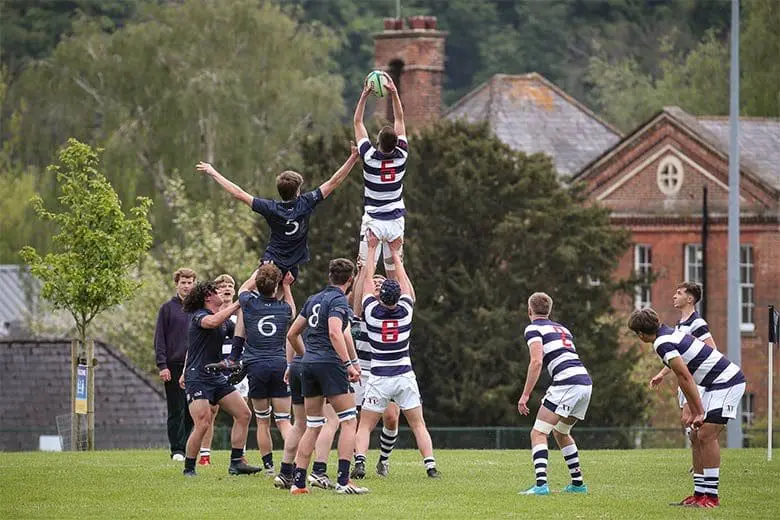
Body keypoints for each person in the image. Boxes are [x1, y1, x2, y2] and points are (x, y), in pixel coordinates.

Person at [629, 308, 745, 508]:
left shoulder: (663, 342)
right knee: (695, 434)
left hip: (728, 381)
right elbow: (684, 377)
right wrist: (693, 410)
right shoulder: (667, 334)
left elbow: (685, 377)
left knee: (706, 434)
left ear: (640, 334)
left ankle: (712, 497)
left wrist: (698, 411)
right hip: (712, 384)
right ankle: (699, 495)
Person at [196, 144, 359, 279]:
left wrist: (213, 172)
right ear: (298, 191)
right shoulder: (307, 202)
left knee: (245, 291)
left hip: (272, 260)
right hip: (292, 264)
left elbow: (238, 193)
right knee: (281, 304)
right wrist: (352, 158)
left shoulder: (271, 208)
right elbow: (334, 182)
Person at [354, 233, 439, 479]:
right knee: (418, 424)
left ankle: (360, 462)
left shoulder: (370, 312)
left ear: (380, 296)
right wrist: (396, 256)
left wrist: (371, 250)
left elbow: (368, 281)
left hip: (379, 377)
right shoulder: (406, 312)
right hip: (403, 375)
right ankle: (430, 466)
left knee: (365, 425)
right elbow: (406, 287)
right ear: (399, 295)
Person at [285, 258, 368, 495]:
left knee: (313, 425)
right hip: (330, 365)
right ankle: (344, 481)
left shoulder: (313, 299)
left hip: (307, 365)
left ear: (330, 276)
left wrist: (307, 356)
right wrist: (349, 365)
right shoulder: (338, 300)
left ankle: (298, 483)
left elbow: (292, 334)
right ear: (350, 280)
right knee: (350, 420)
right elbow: (335, 332)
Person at [179, 281, 261, 477]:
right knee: (203, 421)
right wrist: (238, 303)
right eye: (216, 291)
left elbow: (243, 333)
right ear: (208, 296)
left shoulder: (225, 322)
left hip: (215, 377)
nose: (221, 294)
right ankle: (189, 468)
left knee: (244, 414)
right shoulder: (200, 316)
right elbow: (212, 322)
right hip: (197, 376)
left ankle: (236, 463)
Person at [517, 292, 592, 496]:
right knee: (561, 431)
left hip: (567, 382)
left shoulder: (533, 328)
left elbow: (536, 361)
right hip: (584, 382)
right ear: (549, 310)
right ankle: (578, 485)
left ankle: (541, 485)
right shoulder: (562, 329)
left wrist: (525, 395)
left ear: (529, 310)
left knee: (539, 432)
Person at [235, 264, 296, 476]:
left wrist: (259, 270)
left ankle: (269, 467)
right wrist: (286, 286)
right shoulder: (282, 308)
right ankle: (292, 462)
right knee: (283, 420)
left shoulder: (249, 303)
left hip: (256, 366)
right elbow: (292, 310)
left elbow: (242, 288)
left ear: (259, 286)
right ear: (275, 286)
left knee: (262, 420)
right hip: (278, 364)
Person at [349, 260, 401, 479]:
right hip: (361, 371)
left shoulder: (395, 311)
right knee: (360, 420)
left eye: (382, 282)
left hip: (385, 369)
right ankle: (359, 461)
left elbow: (400, 286)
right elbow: (357, 293)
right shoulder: (361, 310)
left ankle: (384, 460)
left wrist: (395, 257)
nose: (378, 284)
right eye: (375, 282)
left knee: (391, 418)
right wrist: (363, 270)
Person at [353, 72, 408, 273]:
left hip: (374, 219)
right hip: (395, 220)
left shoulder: (369, 157)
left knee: (364, 272)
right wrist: (394, 93)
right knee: (394, 272)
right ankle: (399, 304)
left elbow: (358, 122)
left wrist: (364, 95)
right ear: (396, 143)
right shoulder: (402, 154)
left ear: (377, 142)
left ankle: (358, 306)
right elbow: (400, 119)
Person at [650, 283, 718, 425]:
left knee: (688, 419)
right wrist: (661, 374)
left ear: (689, 299)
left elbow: (712, 350)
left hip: (695, 380)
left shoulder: (697, 323)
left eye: (679, 293)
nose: (674, 296)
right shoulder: (680, 324)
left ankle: (704, 445)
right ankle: (700, 445)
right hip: (685, 380)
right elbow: (676, 358)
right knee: (688, 420)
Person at [199, 274, 243, 466]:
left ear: (234, 290)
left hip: (237, 367)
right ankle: (205, 455)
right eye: (222, 285)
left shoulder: (241, 313)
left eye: (230, 285)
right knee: (210, 412)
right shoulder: (210, 314)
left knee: (240, 412)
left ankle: (239, 454)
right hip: (215, 366)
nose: (226, 288)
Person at [154, 267, 197, 461]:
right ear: (177, 284)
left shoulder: (199, 308)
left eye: (190, 283)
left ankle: (188, 445)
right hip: (173, 365)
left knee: (192, 410)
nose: (187, 286)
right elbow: (159, 338)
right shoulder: (167, 308)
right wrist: (162, 365)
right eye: (183, 283)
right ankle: (177, 450)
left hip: (195, 365)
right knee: (176, 409)